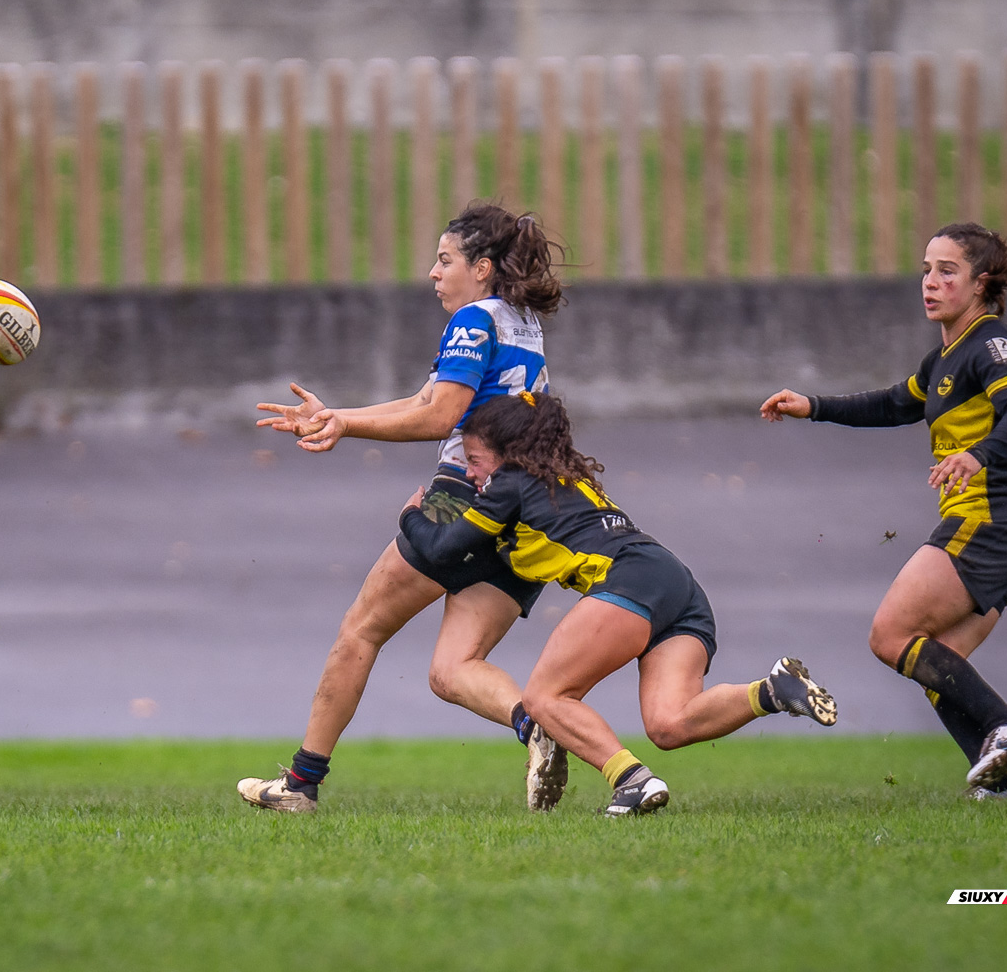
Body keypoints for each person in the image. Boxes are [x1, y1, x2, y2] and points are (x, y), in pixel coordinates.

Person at [239, 204, 569, 813]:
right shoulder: (520, 321)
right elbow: (426, 397)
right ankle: (537, 725)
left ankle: (300, 784)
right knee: (452, 669)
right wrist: (340, 417)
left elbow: (441, 415)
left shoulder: (473, 319)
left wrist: (347, 428)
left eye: (445, 261)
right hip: (526, 510)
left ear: (483, 268)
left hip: (463, 497)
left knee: (361, 630)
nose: (433, 273)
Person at [400, 391, 839, 817]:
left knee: (545, 698)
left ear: (508, 454)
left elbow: (443, 549)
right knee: (670, 723)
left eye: (475, 461)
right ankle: (772, 690)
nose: (472, 475)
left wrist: (410, 515)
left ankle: (631, 780)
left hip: (629, 580)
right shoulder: (560, 478)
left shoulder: (510, 482)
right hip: (677, 585)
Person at [760, 222, 1007, 798]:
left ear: (980, 284)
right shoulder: (944, 356)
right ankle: (996, 786)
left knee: (890, 634)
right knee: (940, 663)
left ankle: (1005, 725)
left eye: (948, 271)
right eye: (926, 270)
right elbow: (895, 403)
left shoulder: (992, 343)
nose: (931, 282)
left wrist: (978, 454)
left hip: (991, 521)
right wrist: (812, 405)